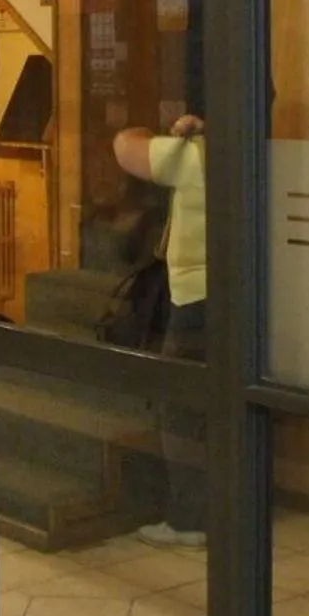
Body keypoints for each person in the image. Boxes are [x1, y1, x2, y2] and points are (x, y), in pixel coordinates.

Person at [113, 110, 206, 548]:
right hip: (241, 298)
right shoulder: (255, 154)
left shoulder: (193, 156)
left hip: (196, 298)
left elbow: (125, 145)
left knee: (179, 407)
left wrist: (176, 130)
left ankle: (190, 518)